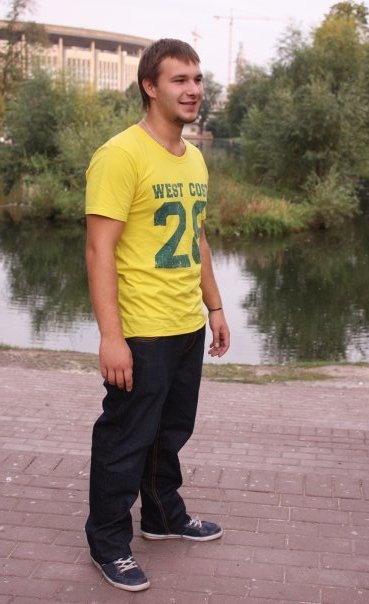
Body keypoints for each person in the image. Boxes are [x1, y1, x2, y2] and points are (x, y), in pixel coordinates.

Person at [84, 38, 230, 592]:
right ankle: (108, 543)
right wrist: (111, 337)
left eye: (197, 79)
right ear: (150, 86)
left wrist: (214, 306)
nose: (193, 90)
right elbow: (99, 250)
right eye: (179, 80)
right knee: (125, 440)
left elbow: (197, 237)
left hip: (185, 324)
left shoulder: (193, 158)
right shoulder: (120, 155)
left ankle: (164, 516)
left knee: (169, 433)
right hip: (141, 330)